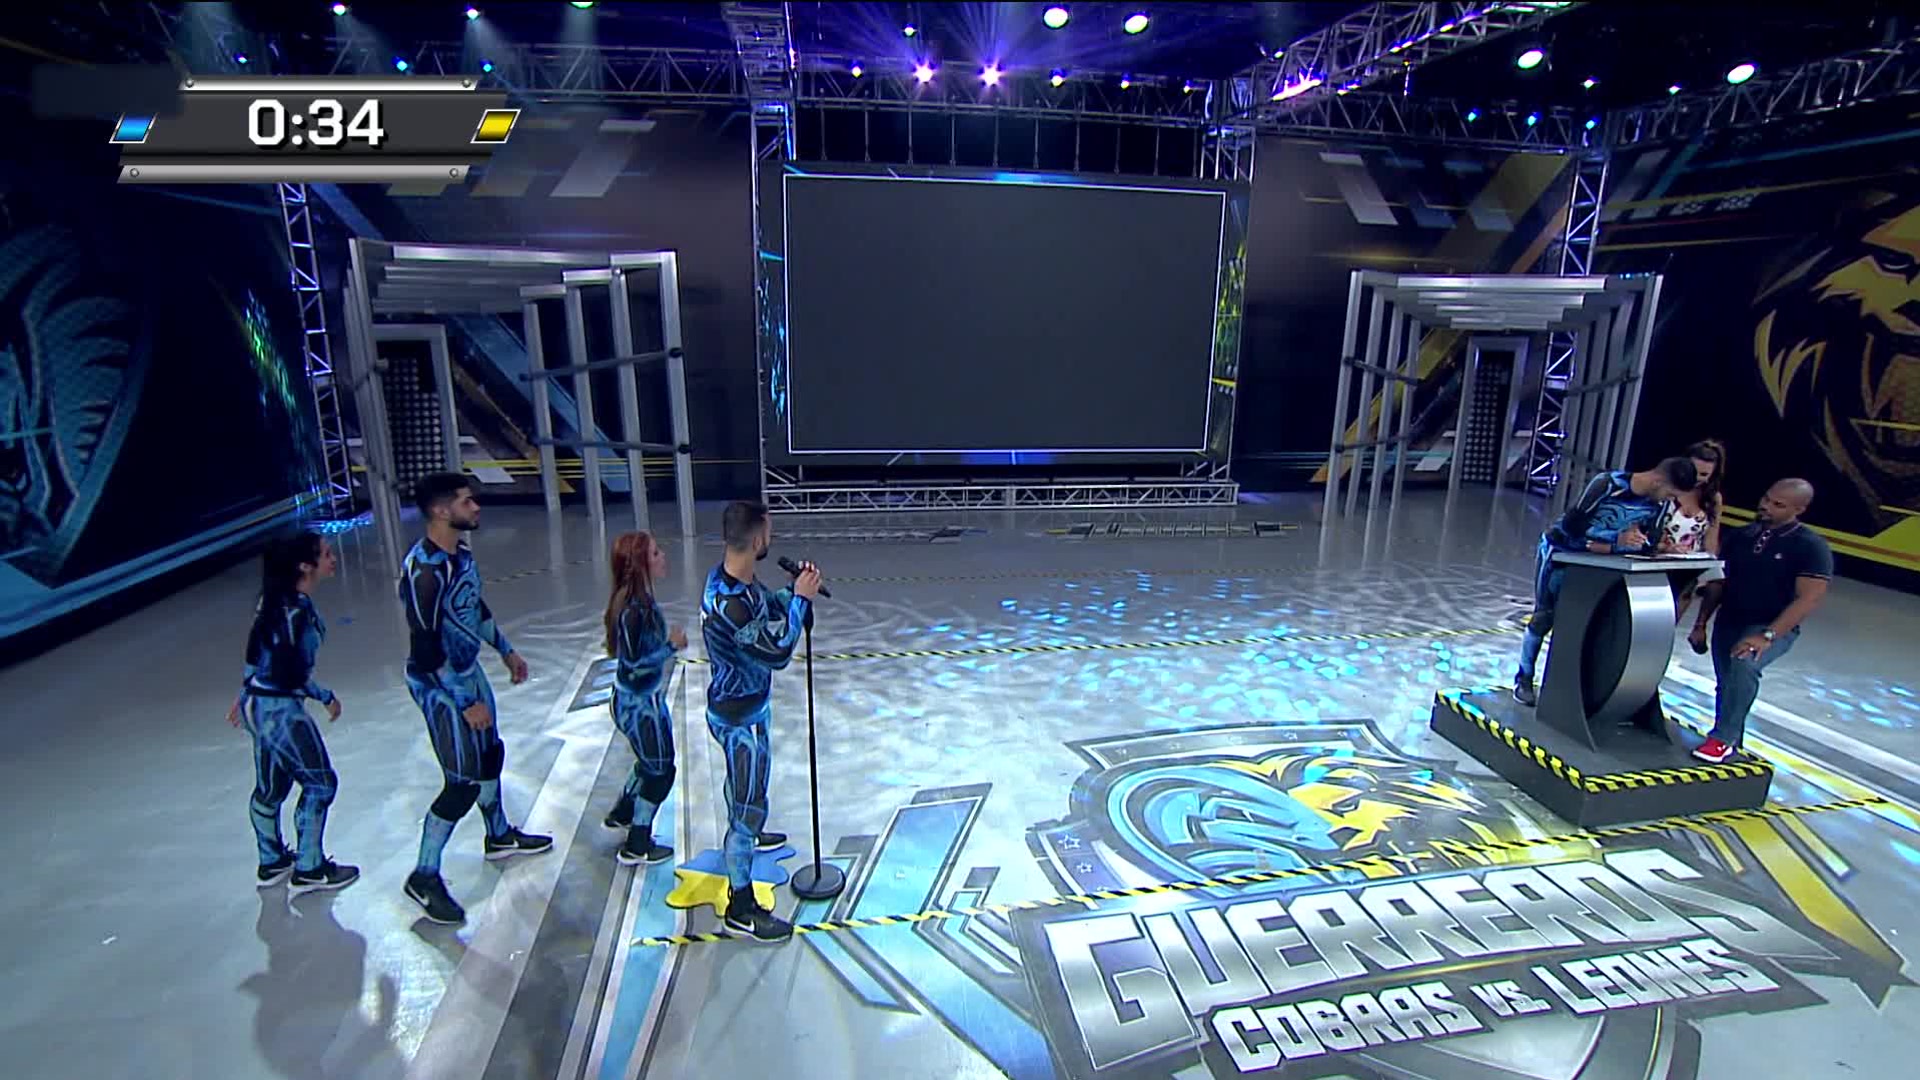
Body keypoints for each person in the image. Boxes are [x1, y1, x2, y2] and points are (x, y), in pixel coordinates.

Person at [398, 472, 552, 925]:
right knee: (461, 782)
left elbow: (475, 610)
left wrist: (506, 650)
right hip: (439, 684)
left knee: (490, 755)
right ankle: (424, 875)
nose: (477, 506)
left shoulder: (461, 556)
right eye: (467, 501)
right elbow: (426, 648)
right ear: (441, 510)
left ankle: (498, 834)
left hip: (468, 671)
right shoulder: (424, 572)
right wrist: (466, 701)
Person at [701, 500, 821, 943]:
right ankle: (741, 907)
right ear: (756, 539)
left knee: (749, 795)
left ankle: (749, 827)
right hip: (737, 718)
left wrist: (794, 591)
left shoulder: (737, 582)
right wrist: (800, 603)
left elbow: (768, 606)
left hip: (751, 708)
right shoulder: (728, 603)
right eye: (768, 532)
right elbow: (778, 653)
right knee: (747, 810)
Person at [229, 531, 358, 895]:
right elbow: (291, 673)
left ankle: (271, 860)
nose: (333, 559)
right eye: (326, 554)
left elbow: (255, 656)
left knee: (271, 788)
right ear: (305, 566)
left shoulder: (271, 602)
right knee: (320, 783)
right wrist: (324, 695)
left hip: (258, 706)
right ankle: (310, 866)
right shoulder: (297, 611)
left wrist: (244, 694)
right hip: (280, 711)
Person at [1512, 457, 1698, 707]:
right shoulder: (1607, 484)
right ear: (1658, 482)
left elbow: (1649, 541)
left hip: (1602, 563)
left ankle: (1575, 688)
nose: (1670, 500)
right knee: (1545, 616)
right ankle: (1524, 678)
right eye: (1670, 493)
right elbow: (1571, 527)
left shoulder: (1659, 505)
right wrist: (1615, 540)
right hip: (1560, 553)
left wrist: (1654, 547)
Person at [1686, 479, 1831, 764]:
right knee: (1728, 683)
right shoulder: (1741, 537)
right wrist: (1701, 623)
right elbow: (1718, 583)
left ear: (1799, 509)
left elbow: (1808, 599)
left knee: (1744, 665)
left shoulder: (1811, 547)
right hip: (1731, 619)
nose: (1766, 506)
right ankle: (1732, 745)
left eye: (1778, 505)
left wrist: (1768, 635)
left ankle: (1722, 739)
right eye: (1766, 498)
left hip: (1770, 625)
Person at [601, 531, 686, 866]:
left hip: (631, 701)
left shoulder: (632, 602)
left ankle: (623, 811)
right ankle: (638, 842)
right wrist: (670, 647)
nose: (662, 557)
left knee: (648, 763)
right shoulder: (636, 609)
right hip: (640, 706)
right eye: (655, 553)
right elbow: (635, 664)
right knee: (661, 771)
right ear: (640, 564)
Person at [1658, 439, 1727, 623]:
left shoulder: (1713, 498)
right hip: (1656, 563)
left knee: (1671, 622)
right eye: (1693, 470)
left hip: (1687, 572)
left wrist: (1708, 570)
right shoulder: (1665, 489)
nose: (1696, 477)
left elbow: (1711, 538)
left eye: (1704, 474)